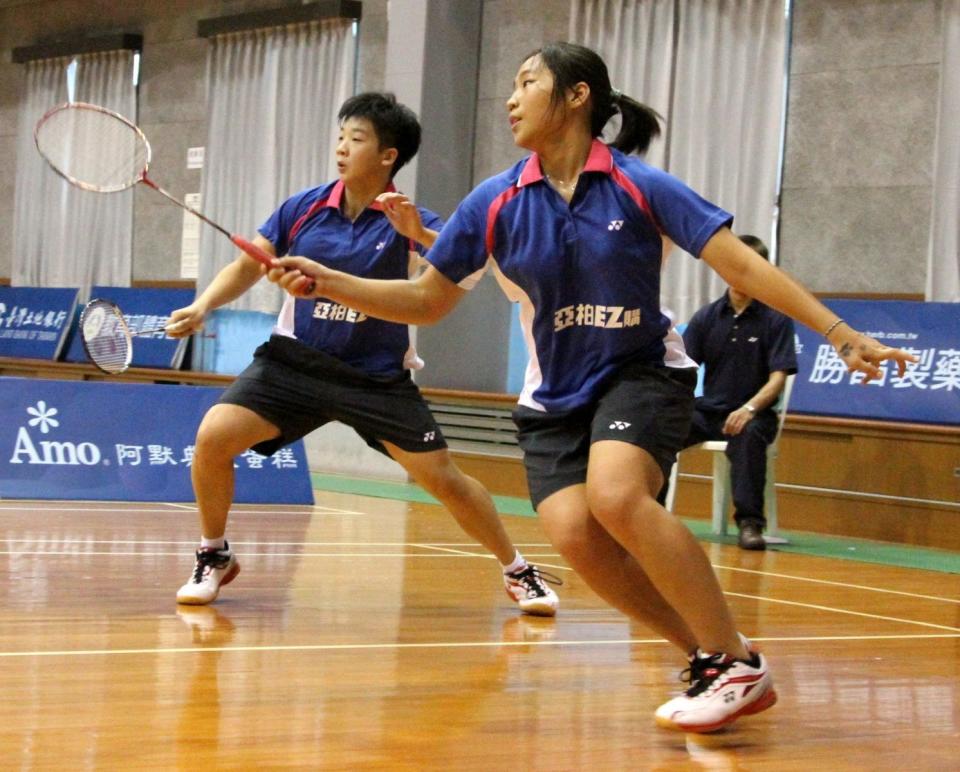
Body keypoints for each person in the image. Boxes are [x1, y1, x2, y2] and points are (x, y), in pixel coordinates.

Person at [264, 44, 917, 733]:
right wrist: (327, 281)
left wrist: (838, 331)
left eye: (527, 83)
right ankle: (713, 657)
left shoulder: (640, 185)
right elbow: (427, 300)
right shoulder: (495, 200)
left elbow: (744, 268)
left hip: (640, 372)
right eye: (511, 86)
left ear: (577, 97)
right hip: (552, 400)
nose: (511, 99)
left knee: (615, 496)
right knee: (575, 536)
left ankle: (732, 659)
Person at [165, 92, 560, 617]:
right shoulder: (304, 207)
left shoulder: (407, 217)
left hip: (374, 377)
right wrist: (204, 305)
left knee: (445, 479)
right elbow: (249, 264)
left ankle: (516, 569)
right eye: (341, 136)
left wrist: (417, 235)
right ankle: (214, 553)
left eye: (357, 139)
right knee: (214, 436)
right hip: (295, 363)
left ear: (388, 155)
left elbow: (460, 263)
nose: (342, 148)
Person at [675, 234, 797, 550]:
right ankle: (646, 513)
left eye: (750, 267)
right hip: (710, 410)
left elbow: (778, 378)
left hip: (754, 414)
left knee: (749, 438)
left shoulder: (776, 319)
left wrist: (749, 409)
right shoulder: (706, 317)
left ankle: (749, 524)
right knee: (661, 428)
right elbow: (684, 368)